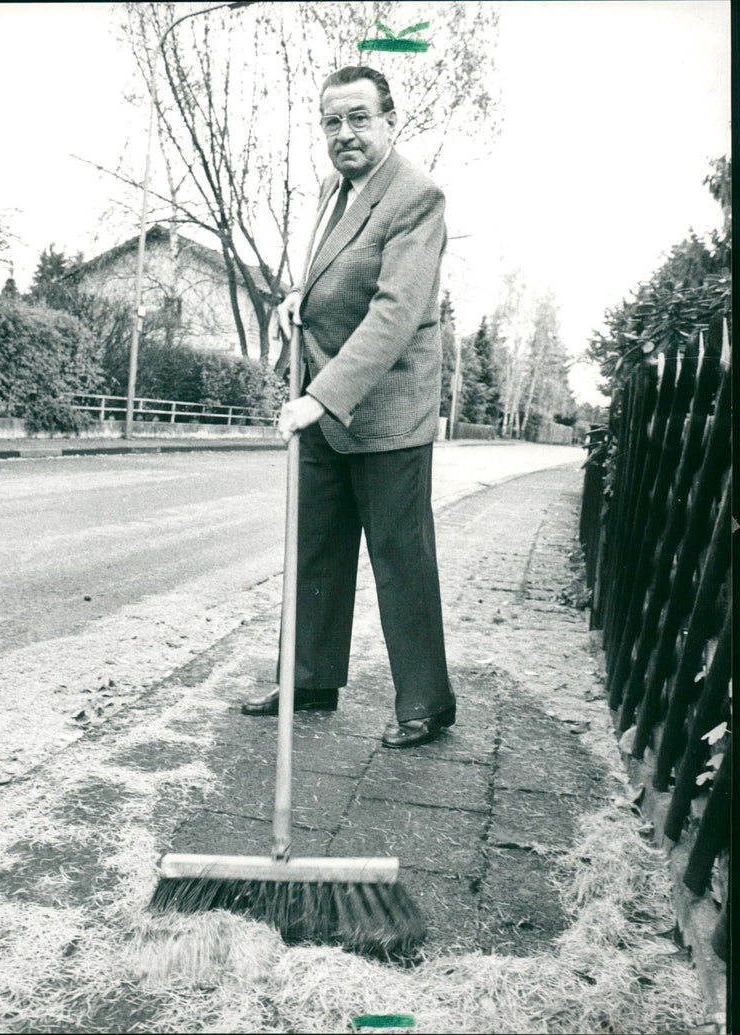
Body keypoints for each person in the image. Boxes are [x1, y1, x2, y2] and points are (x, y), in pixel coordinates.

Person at [242, 65, 455, 748]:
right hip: (322, 400)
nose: (345, 133)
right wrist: (296, 298)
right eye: (332, 121)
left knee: (400, 556)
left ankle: (426, 702)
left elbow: (395, 313)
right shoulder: (332, 190)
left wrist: (319, 398)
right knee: (316, 549)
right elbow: (337, 274)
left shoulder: (416, 197)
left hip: (385, 410)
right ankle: (308, 680)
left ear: (390, 121)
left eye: (359, 117)